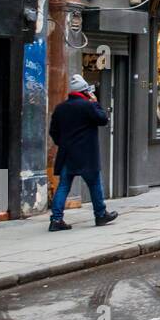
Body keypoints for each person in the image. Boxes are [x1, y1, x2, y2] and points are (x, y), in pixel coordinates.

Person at [48, 74, 118, 231]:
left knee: (64, 186)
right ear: (85, 91)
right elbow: (103, 119)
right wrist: (95, 102)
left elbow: (53, 131)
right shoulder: (88, 106)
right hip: (87, 155)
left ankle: (56, 220)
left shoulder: (61, 108)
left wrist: (63, 143)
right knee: (94, 184)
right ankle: (100, 215)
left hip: (67, 154)